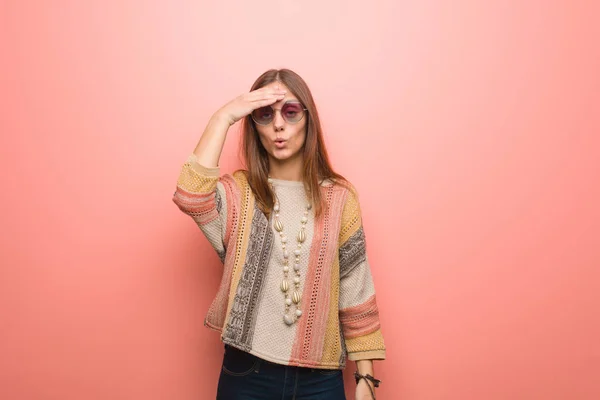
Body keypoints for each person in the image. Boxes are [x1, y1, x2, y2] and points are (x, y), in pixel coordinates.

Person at [173, 68, 385, 399]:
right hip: (248, 374)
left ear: (308, 119)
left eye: (290, 112)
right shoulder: (238, 193)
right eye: (263, 114)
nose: (278, 125)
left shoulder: (340, 197)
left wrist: (366, 380)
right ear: (253, 126)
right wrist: (223, 117)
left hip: (321, 379)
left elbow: (355, 290)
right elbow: (191, 194)